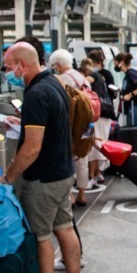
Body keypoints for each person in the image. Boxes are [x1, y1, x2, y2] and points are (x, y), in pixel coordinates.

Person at [0, 43, 85, 273]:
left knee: (41, 238)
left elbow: (32, 148)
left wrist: (8, 177)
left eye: (10, 68)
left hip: (43, 179)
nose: (9, 72)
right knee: (65, 228)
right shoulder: (54, 83)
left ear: (23, 65)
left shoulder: (35, 94)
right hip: (62, 172)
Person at [49, 49, 92, 207]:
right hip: (88, 123)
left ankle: (69, 196)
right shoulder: (81, 76)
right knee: (82, 157)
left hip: (73, 125)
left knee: (68, 158)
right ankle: (82, 193)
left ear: (58, 65)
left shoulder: (63, 79)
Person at [79, 58, 114, 188]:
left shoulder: (92, 76)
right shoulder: (100, 77)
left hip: (98, 116)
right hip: (104, 115)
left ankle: (91, 177)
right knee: (96, 143)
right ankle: (98, 173)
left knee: (92, 145)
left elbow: (81, 84)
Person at [113, 53, 137, 127]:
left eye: (115, 63)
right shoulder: (127, 74)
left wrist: (130, 95)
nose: (115, 65)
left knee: (136, 132)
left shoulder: (131, 73)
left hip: (135, 108)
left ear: (121, 62)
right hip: (131, 108)